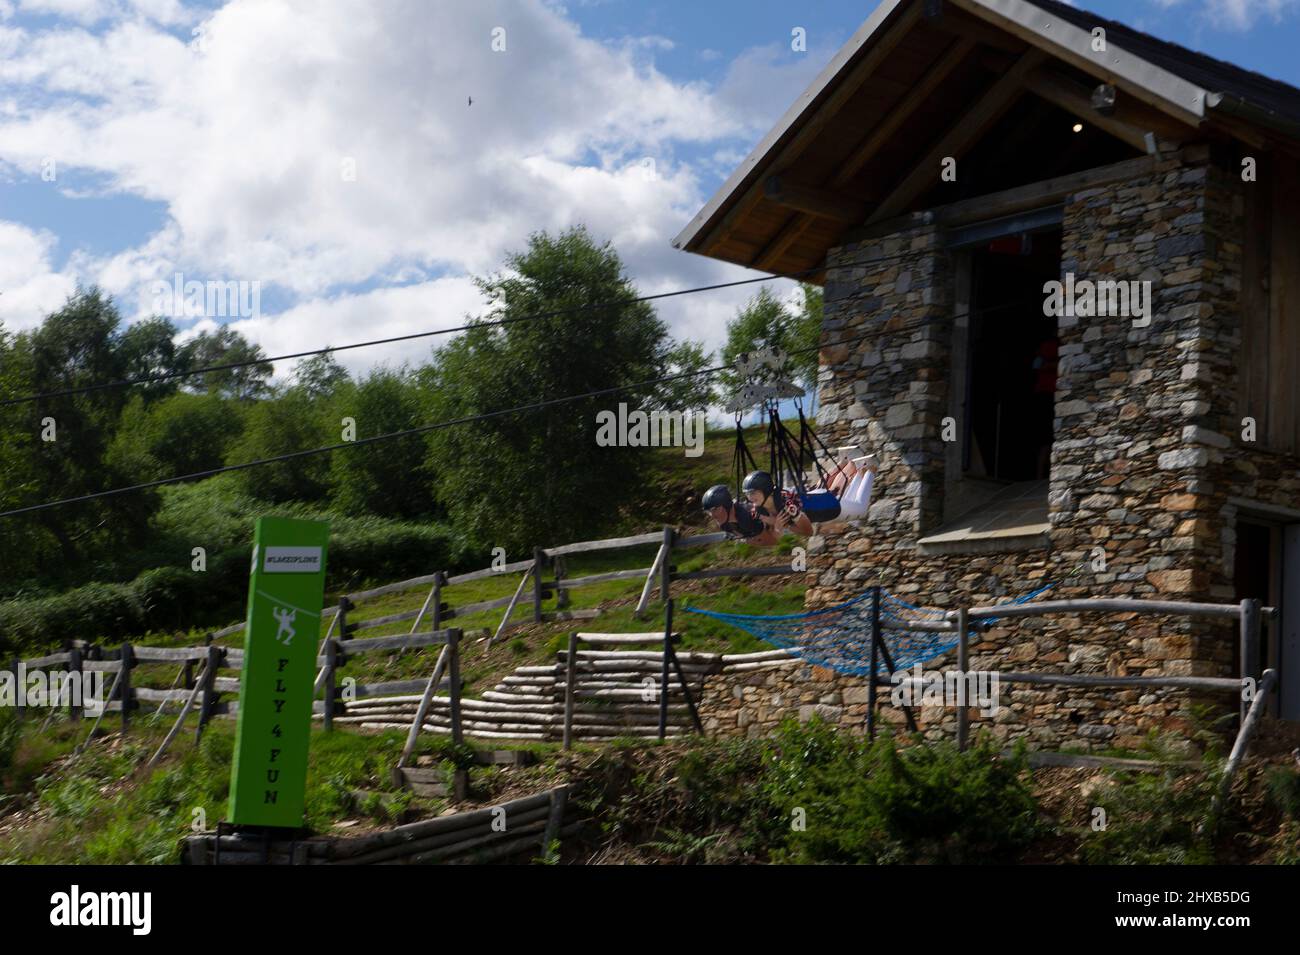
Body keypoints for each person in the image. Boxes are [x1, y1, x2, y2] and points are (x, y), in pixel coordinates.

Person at [701, 484, 784, 546]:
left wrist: (748, 540)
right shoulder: (725, 525)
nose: (712, 515)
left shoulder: (746, 518)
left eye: (715, 509)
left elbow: (773, 542)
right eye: (708, 511)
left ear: (727, 506)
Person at [741, 470, 815, 538]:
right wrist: (776, 526)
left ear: (766, 490)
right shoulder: (758, 512)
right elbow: (771, 539)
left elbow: (809, 532)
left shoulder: (788, 504)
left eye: (753, 493)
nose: (749, 498)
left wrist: (785, 525)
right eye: (747, 494)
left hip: (812, 497)